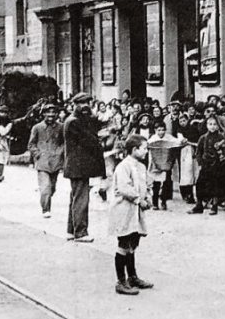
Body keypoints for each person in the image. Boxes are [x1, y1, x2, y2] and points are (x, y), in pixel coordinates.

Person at [109, 134, 154, 296]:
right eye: (144, 149)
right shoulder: (124, 166)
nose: (146, 152)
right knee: (124, 243)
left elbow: (146, 184)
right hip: (124, 210)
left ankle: (132, 277)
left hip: (136, 211)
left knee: (133, 242)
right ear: (134, 149)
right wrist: (138, 199)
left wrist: (148, 197)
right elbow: (123, 187)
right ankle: (121, 281)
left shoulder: (141, 167)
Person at [64, 93, 105, 243]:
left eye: (88, 103)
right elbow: (89, 141)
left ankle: (71, 230)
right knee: (81, 200)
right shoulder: (75, 122)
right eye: (83, 104)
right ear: (76, 105)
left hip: (76, 167)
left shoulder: (73, 120)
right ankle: (80, 232)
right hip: (79, 167)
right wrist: (100, 139)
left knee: (75, 198)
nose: (86, 106)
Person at [28, 105, 65, 217]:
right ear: (43, 114)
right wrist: (37, 154)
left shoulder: (61, 127)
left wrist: (60, 152)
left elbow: (64, 142)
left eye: (53, 113)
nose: (50, 115)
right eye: (48, 113)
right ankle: (46, 209)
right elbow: (31, 144)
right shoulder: (37, 128)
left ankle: (47, 199)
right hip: (42, 161)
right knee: (45, 187)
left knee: (52, 187)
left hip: (56, 161)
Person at [192, 116, 225, 215]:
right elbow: (198, 151)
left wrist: (221, 157)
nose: (212, 127)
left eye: (214, 124)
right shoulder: (203, 138)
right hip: (205, 165)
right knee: (200, 184)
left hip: (216, 165)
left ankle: (214, 206)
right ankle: (199, 205)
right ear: (207, 125)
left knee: (215, 185)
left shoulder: (221, 138)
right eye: (210, 124)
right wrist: (200, 162)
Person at [147, 123, 180, 211]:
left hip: (166, 163)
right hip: (156, 164)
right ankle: (155, 203)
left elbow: (177, 142)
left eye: (163, 130)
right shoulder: (152, 139)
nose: (161, 132)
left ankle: (163, 201)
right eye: (159, 130)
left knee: (166, 183)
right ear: (155, 130)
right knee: (156, 184)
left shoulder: (169, 137)